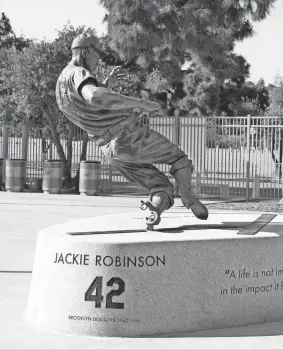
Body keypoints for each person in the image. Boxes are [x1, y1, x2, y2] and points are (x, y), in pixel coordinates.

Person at [56, 33, 208, 227]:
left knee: (160, 185)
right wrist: (142, 104)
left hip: (109, 149)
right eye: (96, 55)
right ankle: (189, 197)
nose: (97, 60)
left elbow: (89, 106)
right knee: (179, 159)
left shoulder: (60, 85)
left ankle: (155, 209)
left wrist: (105, 85)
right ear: (85, 53)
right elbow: (94, 97)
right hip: (128, 136)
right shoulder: (77, 73)